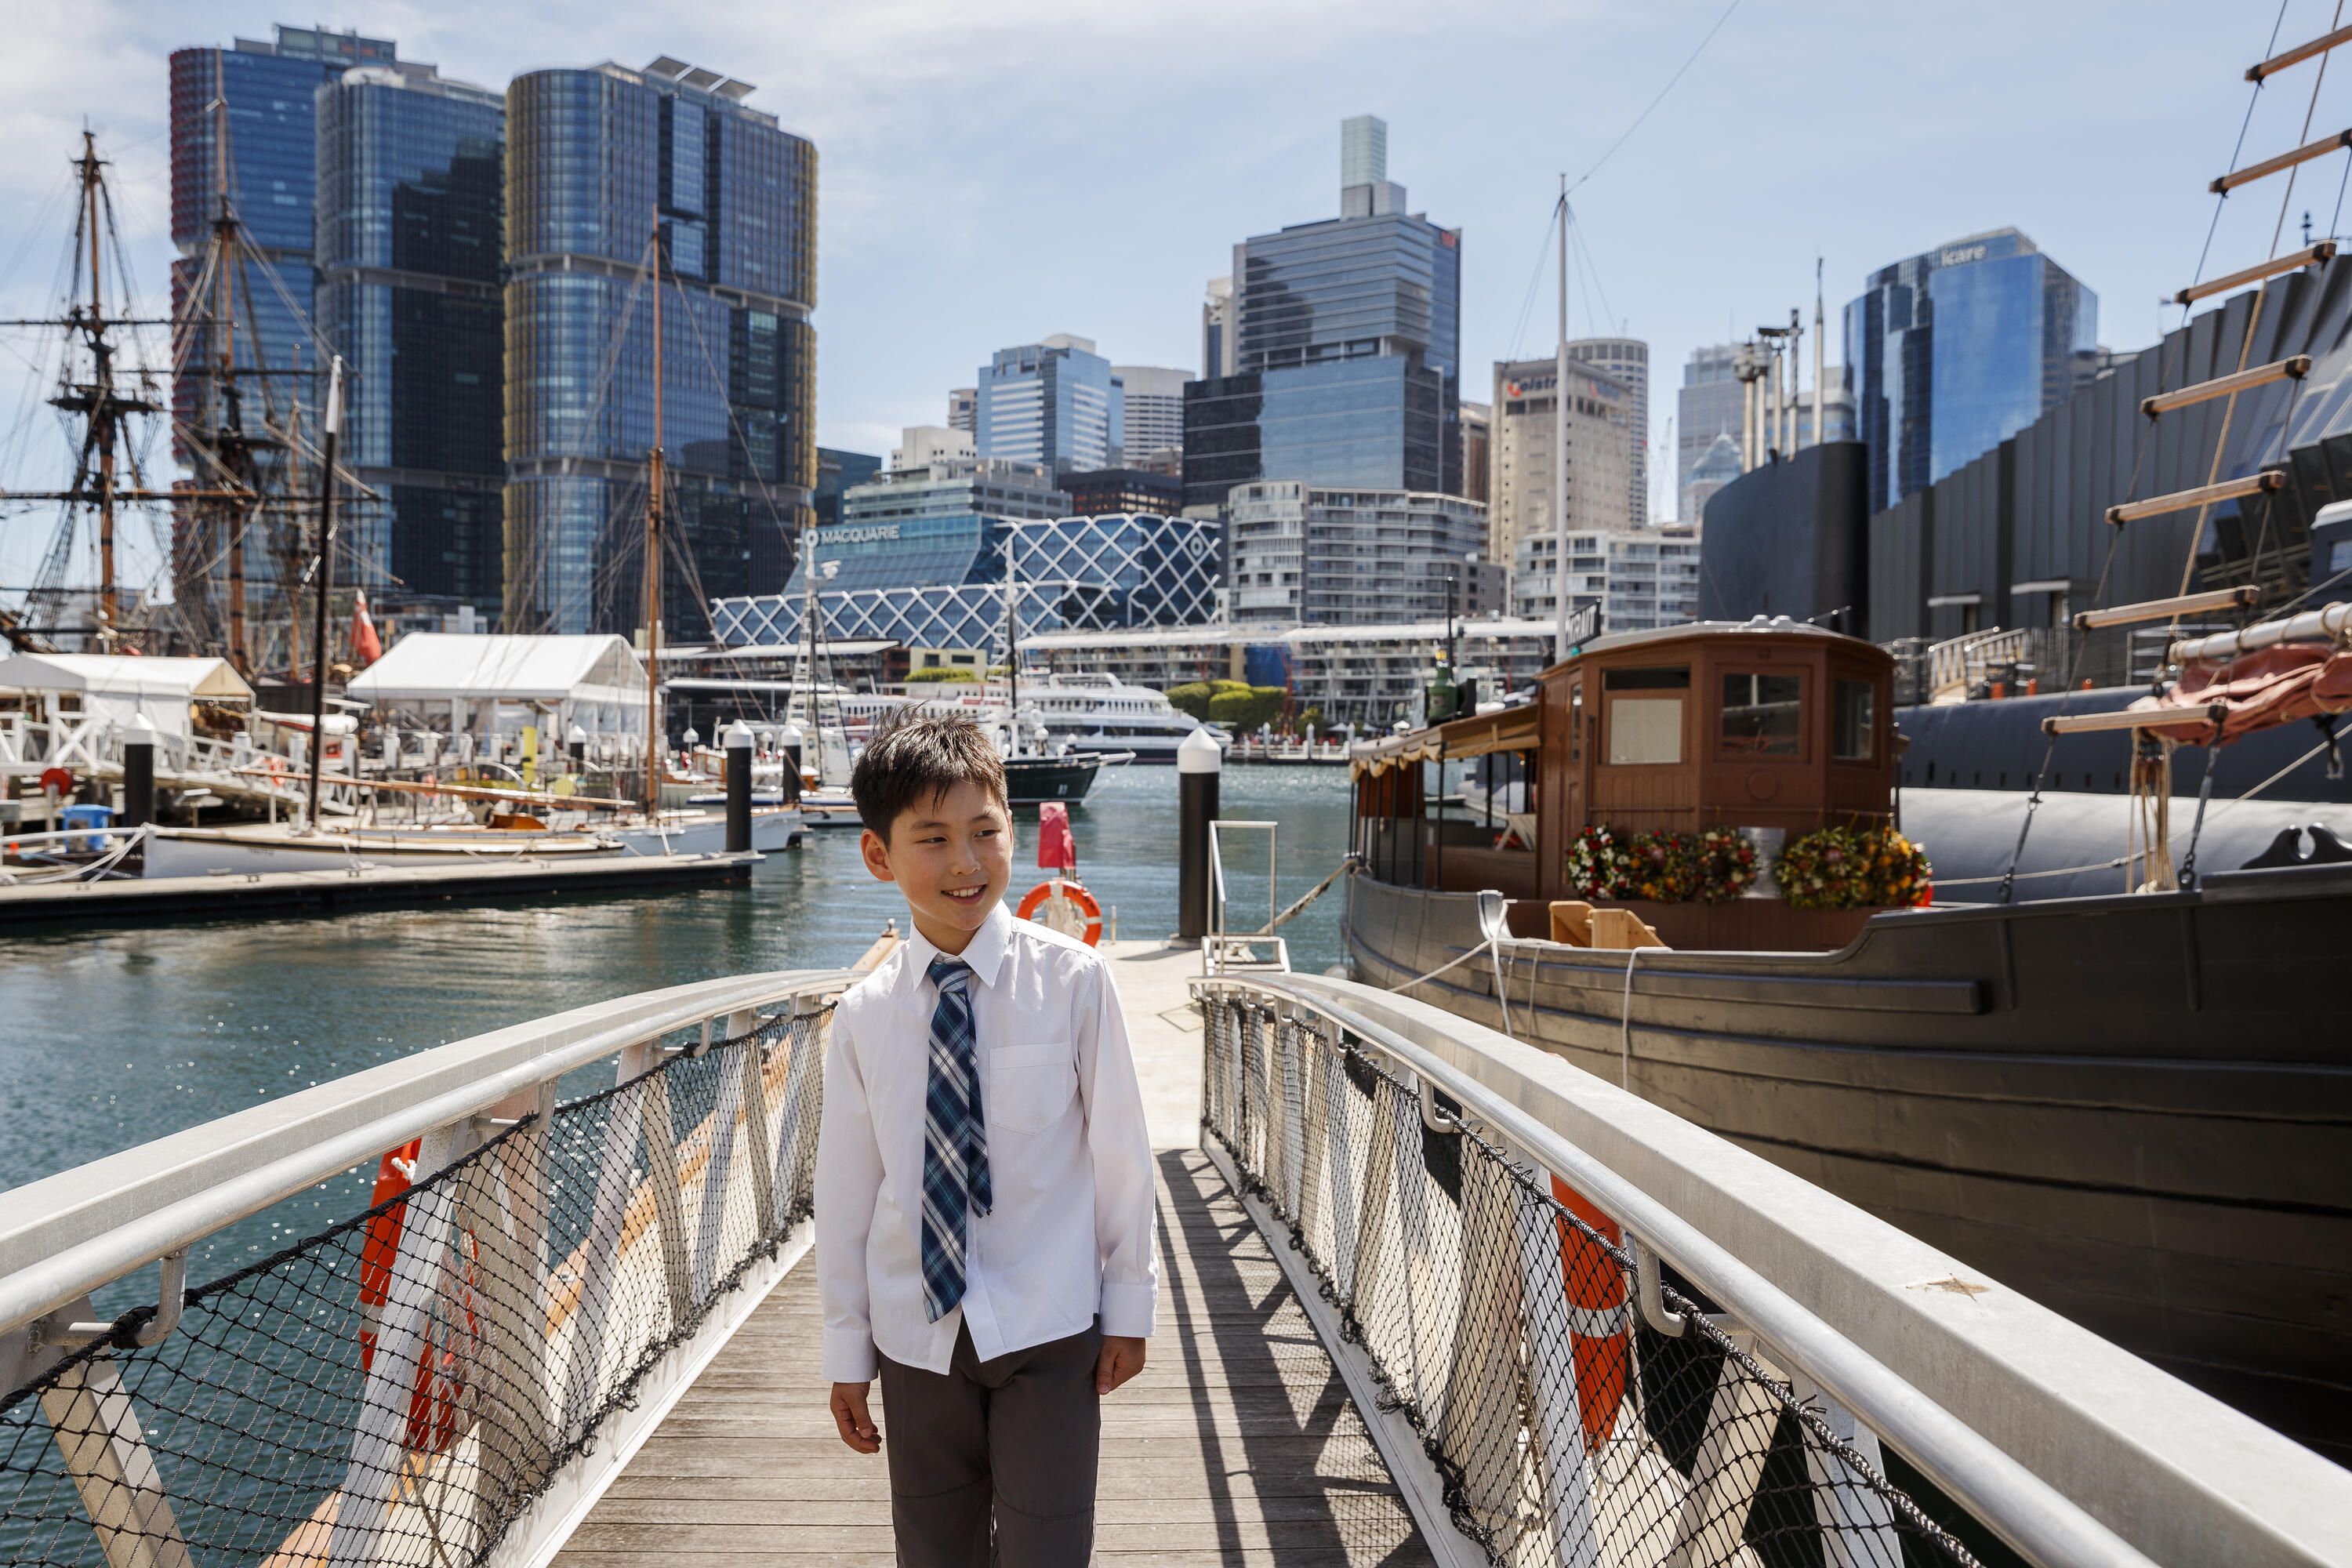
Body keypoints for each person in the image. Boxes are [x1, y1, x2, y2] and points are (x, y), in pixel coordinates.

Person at [815, 713, 1156, 1566]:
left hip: (1049, 1317)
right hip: (915, 1333)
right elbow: (847, 1196)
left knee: (1049, 1543)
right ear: (878, 856)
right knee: (933, 1545)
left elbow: (1121, 1153)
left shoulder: (1073, 982)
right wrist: (846, 1348)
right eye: (933, 838)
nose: (966, 863)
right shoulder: (862, 1016)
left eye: (985, 832)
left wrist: (1129, 1304)